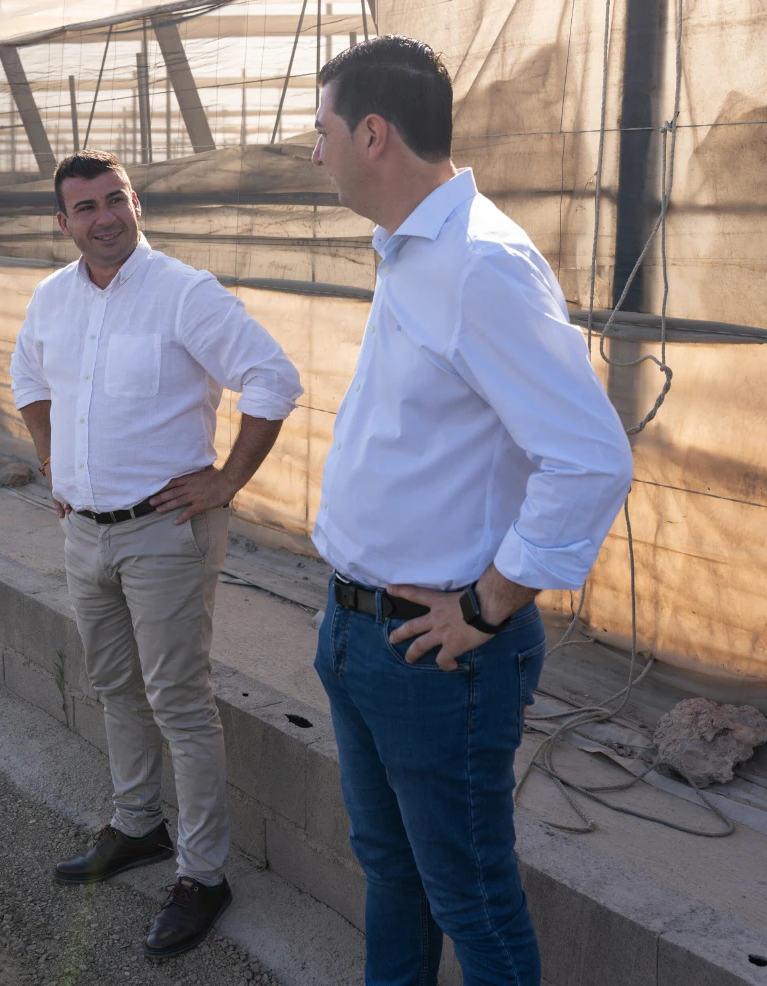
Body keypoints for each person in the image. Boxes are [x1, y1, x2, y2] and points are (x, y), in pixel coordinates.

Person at [309, 36, 633, 986]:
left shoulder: (479, 263)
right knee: (393, 872)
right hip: (364, 630)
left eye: (322, 132)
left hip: (434, 650)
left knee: (471, 898)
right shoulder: (413, 250)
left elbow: (587, 459)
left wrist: (489, 606)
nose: (314, 152)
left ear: (372, 133)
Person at [9, 150, 302, 957]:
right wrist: (50, 458)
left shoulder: (184, 293)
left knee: (178, 698)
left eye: (116, 200)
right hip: (84, 531)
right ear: (62, 222)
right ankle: (136, 823)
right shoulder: (52, 298)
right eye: (85, 207)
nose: (104, 217)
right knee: (113, 683)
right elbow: (27, 375)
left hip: (165, 533)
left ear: (135, 203)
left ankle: (204, 874)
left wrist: (225, 482)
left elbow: (273, 379)